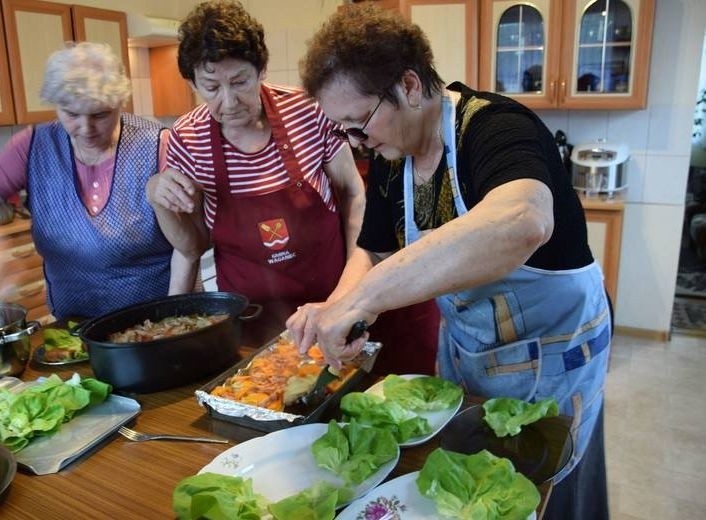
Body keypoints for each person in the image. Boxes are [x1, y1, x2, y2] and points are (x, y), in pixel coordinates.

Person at [288, 4, 610, 519]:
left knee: (540, 493)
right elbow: (373, 249)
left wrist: (366, 299)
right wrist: (338, 305)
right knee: (469, 489)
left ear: (410, 86)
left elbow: (524, 220)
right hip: (470, 352)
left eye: (360, 122)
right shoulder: (395, 161)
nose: (358, 141)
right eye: (344, 130)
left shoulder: (495, 128)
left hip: (552, 356)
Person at [146, 0, 440, 365]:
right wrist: (174, 332)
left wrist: (352, 294)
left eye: (240, 82)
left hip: (331, 302)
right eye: (211, 87)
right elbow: (190, 246)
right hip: (253, 321)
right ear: (192, 82)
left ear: (261, 69)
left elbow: (352, 193)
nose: (229, 101)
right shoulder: (186, 139)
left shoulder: (307, 110)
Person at [0, 41, 189, 321]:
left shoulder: (157, 145)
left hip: (154, 323)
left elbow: (188, 247)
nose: (86, 129)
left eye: (100, 114)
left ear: (120, 103)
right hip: (74, 327)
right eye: (71, 114)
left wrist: (176, 321)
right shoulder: (30, 147)